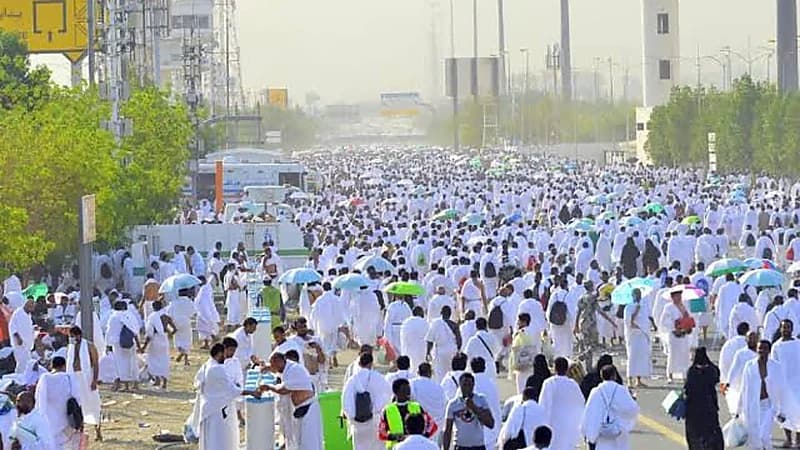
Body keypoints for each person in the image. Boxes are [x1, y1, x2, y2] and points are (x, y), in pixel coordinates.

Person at [193, 343, 261, 450]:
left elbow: (198, 383)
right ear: (219, 353)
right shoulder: (216, 369)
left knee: (213, 438)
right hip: (216, 410)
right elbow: (231, 390)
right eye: (224, 354)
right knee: (219, 438)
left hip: (212, 406)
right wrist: (252, 392)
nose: (226, 357)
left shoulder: (207, 365)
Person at [738, 340, 800, 450]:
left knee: (764, 436)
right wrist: (738, 409)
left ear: (769, 351)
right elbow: (743, 387)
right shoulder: (749, 366)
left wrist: (782, 411)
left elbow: (783, 389)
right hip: (753, 405)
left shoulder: (776, 367)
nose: (762, 351)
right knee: (754, 438)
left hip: (769, 406)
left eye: (764, 348)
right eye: (759, 348)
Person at [263, 351, 324, 450]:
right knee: (300, 443)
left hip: (308, 409)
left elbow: (283, 390)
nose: (273, 369)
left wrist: (269, 387)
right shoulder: (287, 369)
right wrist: (267, 367)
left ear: (279, 362)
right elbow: (276, 371)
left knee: (309, 443)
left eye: (274, 365)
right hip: (300, 409)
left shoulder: (294, 370)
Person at [581, 364, 639, 450]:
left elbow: (589, 412)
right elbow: (632, 409)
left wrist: (589, 432)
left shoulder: (596, 391)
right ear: (614, 376)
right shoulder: (621, 390)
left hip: (601, 434)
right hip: (618, 433)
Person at [342, 352, 392, 450]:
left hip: (357, 424)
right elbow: (387, 398)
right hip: (375, 421)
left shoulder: (352, 380)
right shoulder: (379, 378)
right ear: (371, 363)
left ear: (359, 364)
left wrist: (352, 418)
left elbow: (345, 403)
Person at [34, 356, 81, 448]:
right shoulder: (69, 378)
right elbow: (77, 398)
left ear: (51, 366)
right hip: (67, 421)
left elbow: (39, 399)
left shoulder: (45, 378)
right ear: (64, 366)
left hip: (49, 421)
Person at [539, 357, 585, 450]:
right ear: (567, 369)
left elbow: (543, 405)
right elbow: (581, 404)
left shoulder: (549, 383)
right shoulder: (573, 384)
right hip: (569, 426)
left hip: (553, 424)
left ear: (554, 368)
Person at [66, 325, 102, 442]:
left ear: (78, 335)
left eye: (73, 336)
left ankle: (98, 431)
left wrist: (94, 380)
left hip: (87, 378)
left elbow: (96, 364)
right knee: (78, 406)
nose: (71, 339)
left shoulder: (89, 346)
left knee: (93, 404)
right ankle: (81, 432)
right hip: (74, 379)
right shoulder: (70, 347)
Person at [683, 347, 724, 450]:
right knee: (711, 432)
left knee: (695, 434)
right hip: (709, 407)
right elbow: (716, 378)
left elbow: (687, 389)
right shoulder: (712, 370)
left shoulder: (692, 371)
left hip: (694, 409)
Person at [442, 372, 495, 450]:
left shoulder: (481, 400)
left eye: (470, 385)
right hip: (460, 446)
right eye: (464, 385)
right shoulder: (453, 404)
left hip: (478, 446)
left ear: (473, 385)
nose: (467, 388)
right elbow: (448, 430)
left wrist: (474, 408)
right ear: (460, 385)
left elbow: (491, 424)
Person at [378, 378, 437, 447]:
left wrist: (424, 436)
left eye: (408, 389)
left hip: (415, 446)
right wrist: (394, 437)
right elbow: (381, 433)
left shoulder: (416, 406)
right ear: (396, 392)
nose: (408, 392)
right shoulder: (387, 410)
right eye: (404, 389)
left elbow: (432, 425)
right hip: (395, 446)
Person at [770, 320, 800, 447]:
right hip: (783, 384)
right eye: (783, 328)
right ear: (780, 329)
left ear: (792, 329)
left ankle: (798, 440)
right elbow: (773, 365)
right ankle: (788, 439)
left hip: (798, 382)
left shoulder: (798, 343)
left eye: (788, 327)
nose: (786, 330)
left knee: (798, 412)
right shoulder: (776, 346)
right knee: (784, 413)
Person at [140, 300, 176, 389]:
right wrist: (169, 334)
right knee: (164, 360)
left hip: (155, 340)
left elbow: (149, 334)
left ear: (153, 307)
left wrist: (144, 347)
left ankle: (157, 380)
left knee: (153, 360)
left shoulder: (152, 317)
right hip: (164, 339)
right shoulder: (166, 316)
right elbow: (174, 329)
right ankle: (164, 382)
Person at [659, 287, 693, 382]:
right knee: (673, 355)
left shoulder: (684, 306)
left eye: (680, 296)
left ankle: (684, 374)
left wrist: (686, 320)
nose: (679, 298)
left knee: (684, 355)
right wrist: (674, 326)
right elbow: (664, 321)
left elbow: (689, 317)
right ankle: (670, 375)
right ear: (672, 297)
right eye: (677, 296)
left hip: (684, 334)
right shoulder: (668, 307)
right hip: (674, 335)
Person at [106, 300, 141, 391]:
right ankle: (136, 384)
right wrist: (139, 344)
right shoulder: (130, 316)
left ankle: (126, 386)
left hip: (118, 343)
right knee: (133, 362)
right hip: (131, 342)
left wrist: (107, 344)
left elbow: (110, 331)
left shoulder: (114, 316)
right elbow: (136, 330)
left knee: (121, 363)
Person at [623, 288, 651, 387]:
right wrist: (636, 311)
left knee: (641, 357)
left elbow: (646, 320)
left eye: (639, 294)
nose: (638, 296)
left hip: (642, 334)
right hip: (633, 335)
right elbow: (628, 322)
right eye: (636, 294)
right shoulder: (628, 307)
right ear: (633, 295)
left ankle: (638, 380)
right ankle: (630, 379)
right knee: (632, 357)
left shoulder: (644, 306)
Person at [425, 306, 461, 382]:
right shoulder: (454, 325)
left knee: (440, 374)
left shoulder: (435, 323)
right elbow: (459, 340)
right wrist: (457, 350)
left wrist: (428, 352)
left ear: (441, 313)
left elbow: (430, 340)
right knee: (451, 371)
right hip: (452, 350)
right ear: (450, 314)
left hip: (440, 352)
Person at [471, 357, 501, 447]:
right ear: (484, 367)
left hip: (471, 432)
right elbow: (496, 407)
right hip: (490, 430)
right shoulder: (491, 383)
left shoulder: (467, 383)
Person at [409, 363, 447, 434]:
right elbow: (443, 406)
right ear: (431, 373)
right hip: (436, 428)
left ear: (418, 372)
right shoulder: (439, 387)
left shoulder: (412, 384)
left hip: (417, 427)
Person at [167, 288, 197, 366]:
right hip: (186, 321)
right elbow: (193, 312)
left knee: (178, 339)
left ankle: (181, 352)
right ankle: (186, 360)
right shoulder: (189, 302)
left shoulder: (174, 302)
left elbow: (168, 313)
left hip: (176, 322)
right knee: (187, 339)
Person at [9, 300, 35, 374]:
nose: (32, 308)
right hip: (19, 344)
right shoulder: (18, 313)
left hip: (27, 345)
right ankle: (18, 378)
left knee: (27, 364)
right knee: (21, 364)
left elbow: (26, 327)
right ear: (26, 305)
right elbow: (12, 326)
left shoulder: (28, 315)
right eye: (30, 306)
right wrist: (17, 337)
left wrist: (33, 328)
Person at [194, 276, 220, 349]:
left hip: (205, 311)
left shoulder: (205, 288)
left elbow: (203, 300)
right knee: (202, 327)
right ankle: (206, 343)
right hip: (203, 310)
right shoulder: (205, 288)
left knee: (206, 326)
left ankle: (214, 337)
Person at [400, 307, 429, 372]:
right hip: (421, 350)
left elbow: (402, 337)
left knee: (410, 369)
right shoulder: (425, 322)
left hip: (408, 349)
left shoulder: (406, 322)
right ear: (420, 313)